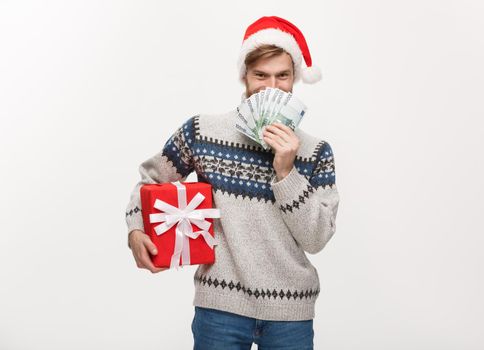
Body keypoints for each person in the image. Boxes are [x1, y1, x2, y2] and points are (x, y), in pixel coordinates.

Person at [125, 16, 339, 350]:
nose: (271, 86)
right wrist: (136, 228)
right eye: (261, 75)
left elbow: (316, 238)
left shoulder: (315, 152)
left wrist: (286, 172)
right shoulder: (202, 132)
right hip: (219, 307)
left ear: (295, 77)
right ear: (244, 76)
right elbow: (150, 179)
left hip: (290, 312)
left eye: (282, 75)